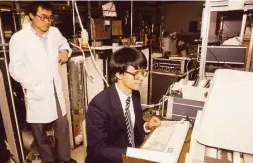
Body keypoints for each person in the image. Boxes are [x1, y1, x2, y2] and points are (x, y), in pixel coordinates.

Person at [9, 2, 76, 163]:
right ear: (32, 15)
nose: (47, 21)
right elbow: (15, 69)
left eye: (50, 18)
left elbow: (64, 43)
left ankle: (64, 159)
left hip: (54, 89)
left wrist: (65, 50)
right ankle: (49, 160)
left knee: (62, 126)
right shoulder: (19, 38)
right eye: (43, 17)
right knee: (39, 132)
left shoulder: (54, 32)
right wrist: (34, 85)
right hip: (36, 90)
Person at [85, 47, 161, 163]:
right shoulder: (98, 106)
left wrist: (146, 126)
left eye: (143, 72)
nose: (141, 78)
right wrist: (133, 155)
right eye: (136, 73)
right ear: (119, 74)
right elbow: (97, 150)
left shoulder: (135, 94)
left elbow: (130, 127)